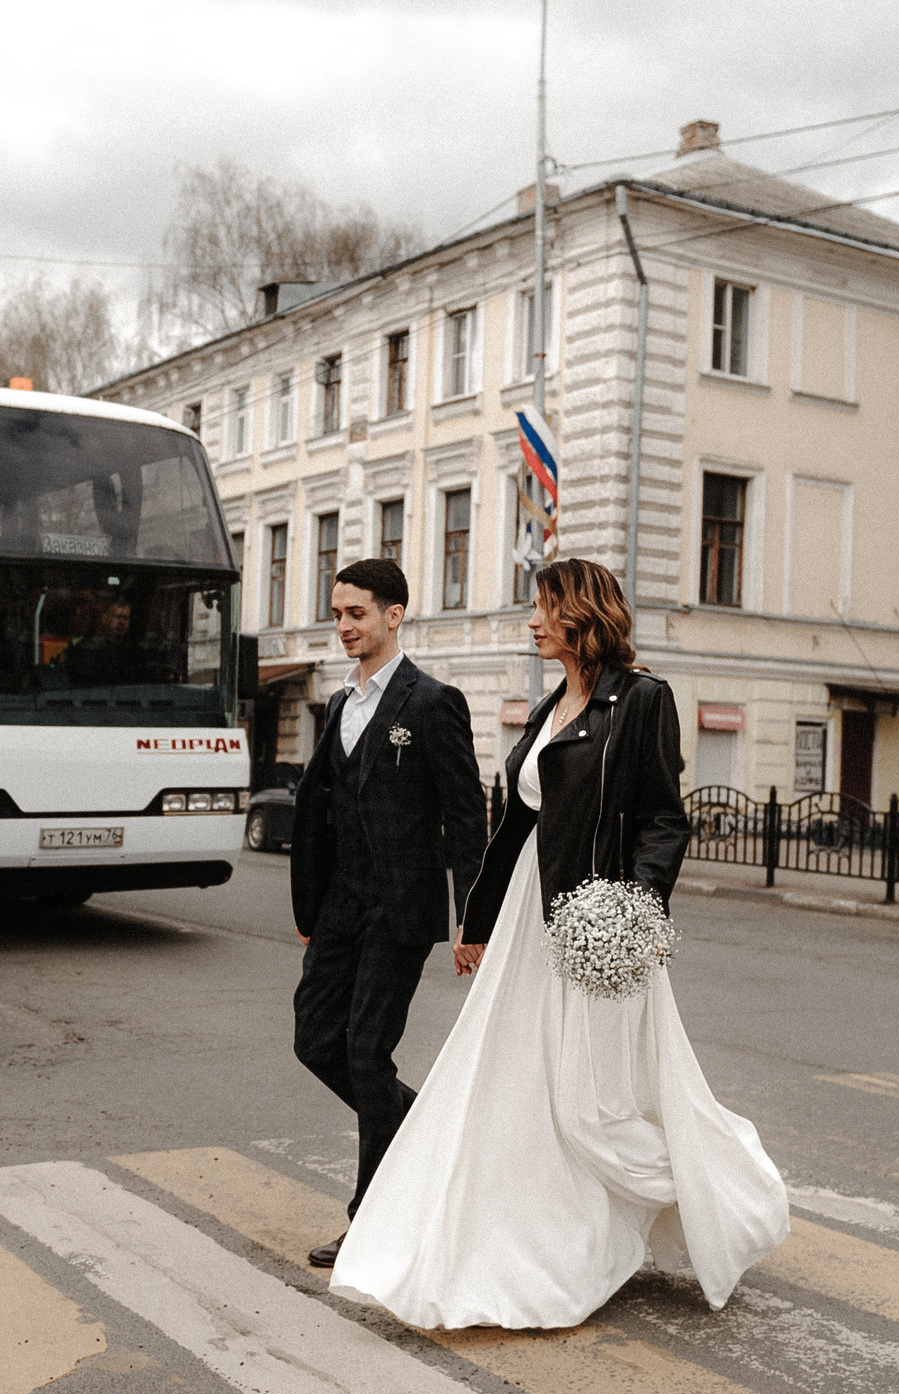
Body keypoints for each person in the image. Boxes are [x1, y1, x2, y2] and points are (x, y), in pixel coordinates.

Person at [329, 557, 792, 1330]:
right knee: (513, 1084)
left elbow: (663, 818)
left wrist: (631, 908)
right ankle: (530, 1237)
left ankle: (720, 1190)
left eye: (544, 609)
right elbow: (516, 826)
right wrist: (475, 923)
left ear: (581, 613)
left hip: (595, 921)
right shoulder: (553, 702)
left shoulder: (642, 699)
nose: (533, 623)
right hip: (525, 923)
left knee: (593, 1102)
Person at [290, 557, 487, 1270]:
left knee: (367, 1053)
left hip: (400, 910)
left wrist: (475, 915)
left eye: (356, 613)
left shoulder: (432, 703)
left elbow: (468, 819)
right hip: (341, 908)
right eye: (337, 614)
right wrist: (311, 905)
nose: (343, 626)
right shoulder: (341, 704)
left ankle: (370, 1220)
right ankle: (419, 1130)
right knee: (316, 1042)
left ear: (393, 615)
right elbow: (321, 808)